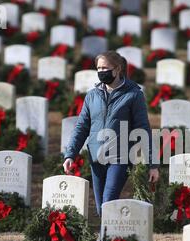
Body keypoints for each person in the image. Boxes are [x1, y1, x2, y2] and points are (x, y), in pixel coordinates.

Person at [63, 51, 159, 216]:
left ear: (117, 69)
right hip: (96, 156)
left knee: (108, 201)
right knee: (101, 207)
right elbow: (81, 127)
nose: (101, 72)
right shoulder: (92, 96)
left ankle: (107, 239)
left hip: (120, 157)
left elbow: (142, 128)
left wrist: (153, 164)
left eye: (105, 68)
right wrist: (70, 155)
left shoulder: (134, 94)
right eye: (98, 68)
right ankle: (108, 239)